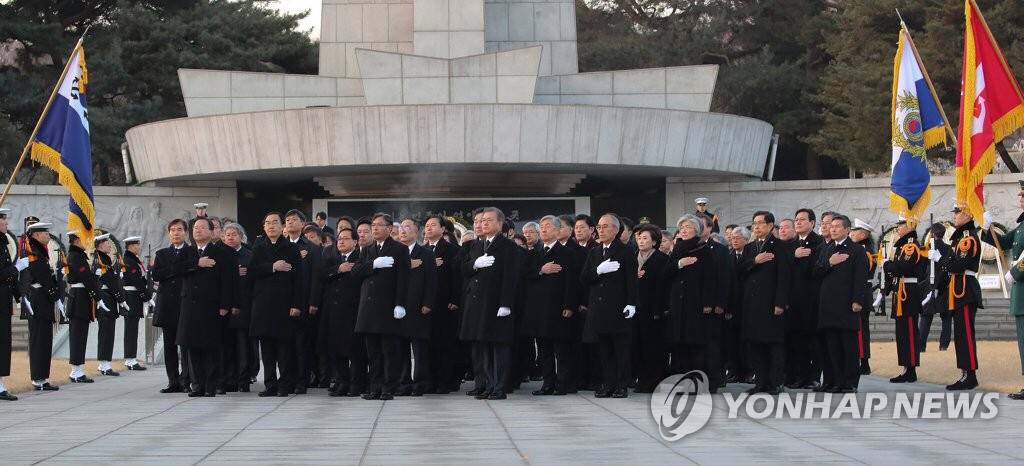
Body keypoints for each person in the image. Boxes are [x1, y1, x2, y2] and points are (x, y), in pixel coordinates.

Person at [461, 207, 520, 400]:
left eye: (488, 220)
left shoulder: (508, 246)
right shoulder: (476, 246)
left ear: (499, 223)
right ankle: (487, 385)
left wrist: (506, 304)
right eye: (482, 220)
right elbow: (465, 269)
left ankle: (499, 387)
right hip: (478, 304)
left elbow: (511, 277)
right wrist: (475, 264)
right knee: (484, 346)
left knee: (498, 347)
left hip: (496, 304)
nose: (483, 223)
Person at [354, 213, 410, 400]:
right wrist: (373, 264)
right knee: (373, 352)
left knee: (389, 350)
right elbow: (356, 272)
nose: (375, 228)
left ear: (389, 229)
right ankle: (375, 387)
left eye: (379, 225)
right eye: (373, 225)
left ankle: (388, 388)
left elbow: (404, 279)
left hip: (388, 307)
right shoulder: (367, 250)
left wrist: (400, 304)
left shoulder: (400, 249)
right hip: (369, 309)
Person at [580, 213, 638, 398]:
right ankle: (608, 383)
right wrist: (598, 270)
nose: (601, 230)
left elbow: (632, 280)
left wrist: (632, 303)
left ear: (616, 229)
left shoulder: (626, 251)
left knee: (620, 349)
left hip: (618, 306)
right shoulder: (595, 252)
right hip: (599, 308)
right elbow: (584, 278)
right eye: (599, 227)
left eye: (606, 226)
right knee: (603, 350)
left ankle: (621, 384)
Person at [522, 215, 578, 396]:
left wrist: (570, 305)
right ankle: (547, 383)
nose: (543, 229)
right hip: (538, 308)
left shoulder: (567, 253)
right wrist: (541, 270)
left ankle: (562, 384)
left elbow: (572, 282)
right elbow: (525, 275)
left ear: (557, 230)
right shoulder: (533, 253)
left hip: (558, 306)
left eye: (547, 226)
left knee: (561, 349)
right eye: (541, 227)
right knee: (544, 349)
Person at [177, 218, 233, 397]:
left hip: (211, 306)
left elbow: (227, 281)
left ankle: (211, 385)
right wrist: (197, 263)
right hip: (190, 307)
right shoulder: (187, 252)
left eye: (202, 227)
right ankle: (197, 385)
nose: (198, 230)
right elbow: (175, 269)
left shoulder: (221, 252)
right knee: (192, 347)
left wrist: (225, 305)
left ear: (211, 231)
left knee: (211, 348)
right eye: (195, 228)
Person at [813, 215, 869, 393]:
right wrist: (829, 263)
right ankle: (832, 381)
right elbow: (815, 272)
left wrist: (857, 300)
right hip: (827, 306)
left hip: (846, 305)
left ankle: (849, 382)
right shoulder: (826, 249)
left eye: (837, 226)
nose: (833, 229)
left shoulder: (856, 250)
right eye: (832, 226)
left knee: (848, 346)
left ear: (847, 229)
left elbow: (860, 277)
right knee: (830, 347)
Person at [250, 212, 303, 397]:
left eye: (275, 223)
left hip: (284, 304)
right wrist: (273, 267)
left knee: (284, 349)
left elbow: (299, 279)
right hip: (263, 306)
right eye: (267, 223)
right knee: (267, 350)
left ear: (283, 227)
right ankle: (270, 384)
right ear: (264, 227)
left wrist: (297, 304)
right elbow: (251, 272)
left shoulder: (290, 248)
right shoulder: (258, 247)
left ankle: (285, 384)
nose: (271, 226)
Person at [738, 211, 791, 395]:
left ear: (770, 225)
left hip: (771, 304)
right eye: (754, 223)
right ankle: (760, 383)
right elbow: (741, 269)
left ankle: (775, 383)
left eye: (760, 223)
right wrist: (755, 261)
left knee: (773, 345)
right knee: (755, 345)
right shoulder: (749, 247)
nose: (757, 227)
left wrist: (780, 303)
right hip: (752, 305)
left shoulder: (780, 247)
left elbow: (784, 277)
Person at [664, 214, 718, 391]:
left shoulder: (703, 249)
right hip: (678, 304)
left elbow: (711, 279)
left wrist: (708, 302)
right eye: (681, 227)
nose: (684, 230)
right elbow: (667, 273)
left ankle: (698, 383)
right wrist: (679, 263)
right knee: (679, 345)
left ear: (696, 229)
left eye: (687, 226)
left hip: (696, 304)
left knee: (696, 345)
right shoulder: (677, 248)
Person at [980, 183, 1024, 399]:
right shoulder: (1021, 226)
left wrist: (1014, 273)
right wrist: (988, 229)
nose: (1021, 198)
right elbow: (1005, 242)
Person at [939, 204, 982, 390]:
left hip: (965, 289)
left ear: (968, 214)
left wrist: (943, 260)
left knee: (965, 333)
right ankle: (965, 372)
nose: (955, 215)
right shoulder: (959, 239)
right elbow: (950, 262)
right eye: (955, 212)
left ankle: (970, 375)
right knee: (960, 334)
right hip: (957, 290)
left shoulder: (968, 239)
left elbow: (957, 265)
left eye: (958, 212)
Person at [321, 228, 365, 397]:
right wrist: (339, 269)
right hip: (333, 312)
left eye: (346, 239)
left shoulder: (361, 258)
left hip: (353, 311)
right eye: (339, 239)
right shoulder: (332, 259)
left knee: (354, 351)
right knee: (336, 349)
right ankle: (342, 382)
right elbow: (322, 276)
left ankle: (356, 384)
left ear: (355, 242)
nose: (341, 242)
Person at [284, 209, 323, 393]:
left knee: (302, 344)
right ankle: (287, 379)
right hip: (283, 302)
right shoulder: (280, 246)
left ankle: (302, 380)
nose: (290, 222)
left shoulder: (312, 247)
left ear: (302, 223)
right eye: (288, 220)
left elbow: (316, 277)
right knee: (286, 345)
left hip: (304, 302)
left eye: (294, 220)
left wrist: (313, 302)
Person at [397, 218, 437, 396]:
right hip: (398, 308)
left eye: (407, 227)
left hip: (418, 308)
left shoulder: (426, 253)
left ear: (417, 232)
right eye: (401, 228)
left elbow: (432, 281)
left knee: (419, 349)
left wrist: (428, 303)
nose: (403, 231)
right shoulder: (396, 252)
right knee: (400, 347)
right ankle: (403, 383)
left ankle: (420, 383)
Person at [883, 218, 925, 383]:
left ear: (909, 227)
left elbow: (901, 268)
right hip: (901, 292)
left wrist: (887, 265)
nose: (898, 228)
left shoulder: (910, 247)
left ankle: (911, 369)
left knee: (908, 332)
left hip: (908, 293)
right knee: (902, 334)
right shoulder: (902, 247)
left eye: (900, 225)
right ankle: (906, 368)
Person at [152, 219, 191, 393]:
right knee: (169, 346)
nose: (176, 233)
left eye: (179, 229)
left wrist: (174, 269)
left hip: (185, 304)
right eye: (173, 230)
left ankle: (186, 380)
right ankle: (172, 380)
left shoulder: (191, 252)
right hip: (167, 305)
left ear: (186, 232)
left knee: (186, 346)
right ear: (169, 233)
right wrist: (179, 268)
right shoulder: (161, 254)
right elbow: (157, 275)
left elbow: (192, 269)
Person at [19, 221, 59, 391]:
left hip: (44, 299)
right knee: (39, 339)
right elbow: (42, 276)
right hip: (38, 299)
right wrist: (55, 293)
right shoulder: (33, 252)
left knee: (45, 339)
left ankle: (43, 377)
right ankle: (37, 378)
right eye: (44, 232)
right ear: (35, 235)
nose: (48, 235)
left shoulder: (40, 250)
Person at [424, 214, 461, 394]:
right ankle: (429, 380)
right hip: (425, 305)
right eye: (427, 225)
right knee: (428, 344)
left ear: (443, 229)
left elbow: (457, 277)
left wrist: (455, 299)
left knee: (445, 344)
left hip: (445, 304)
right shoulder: (422, 251)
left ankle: (445, 381)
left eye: (433, 225)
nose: (429, 228)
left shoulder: (452, 250)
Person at [786, 208, 824, 389]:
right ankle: (800, 376)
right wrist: (793, 256)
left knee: (814, 341)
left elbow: (816, 268)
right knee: (797, 340)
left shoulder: (819, 243)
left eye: (802, 219)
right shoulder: (790, 244)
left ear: (812, 223)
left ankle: (814, 376)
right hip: (793, 299)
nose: (798, 222)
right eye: (796, 220)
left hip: (812, 299)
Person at [632, 224, 668, 393]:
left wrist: (659, 309)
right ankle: (641, 379)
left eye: (645, 238)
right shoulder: (632, 257)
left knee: (654, 347)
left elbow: (663, 288)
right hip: (635, 309)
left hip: (654, 309)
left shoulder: (662, 259)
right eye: (639, 238)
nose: (641, 241)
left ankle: (655, 381)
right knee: (637, 346)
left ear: (654, 242)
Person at [222, 223, 255, 392]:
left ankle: (243, 380)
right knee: (226, 347)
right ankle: (229, 379)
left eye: (234, 234)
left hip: (243, 308)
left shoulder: (249, 255)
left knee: (243, 347)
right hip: (224, 308)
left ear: (241, 237)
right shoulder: (220, 255)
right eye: (227, 234)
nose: (230, 237)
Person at [64, 231, 98, 384]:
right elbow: (86, 279)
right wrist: (98, 296)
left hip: (81, 298)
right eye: (84, 239)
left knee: (80, 335)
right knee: (77, 336)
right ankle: (75, 371)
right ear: (77, 240)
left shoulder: (78, 255)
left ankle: (78, 369)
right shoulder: (76, 256)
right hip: (78, 299)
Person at [0, 209, 27, 400]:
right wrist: (17, 268)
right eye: (3, 220)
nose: (6, 224)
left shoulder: (2, 243)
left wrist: (19, 296)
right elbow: (3, 274)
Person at [850, 219, 881, 374]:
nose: (851, 234)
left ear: (862, 234)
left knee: (861, 330)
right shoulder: (860, 249)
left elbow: (863, 271)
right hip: (860, 291)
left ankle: (864, 362)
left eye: (854, 232)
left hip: (862, 292)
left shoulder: (864, 251)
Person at [93, 233, 125, 377]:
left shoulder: (105, 258)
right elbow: (108, 281)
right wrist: (120, 297)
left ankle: (105, 363)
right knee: (105, 332)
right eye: (106, 243)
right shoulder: (99, 259)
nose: (109, 245)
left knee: (108, 332)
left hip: (109, 298)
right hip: (105, 297)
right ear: (100, 246)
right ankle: (104, 364)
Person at [918, 222, 953, 354]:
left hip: (931, 285)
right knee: (946, 317)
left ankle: (921, 346)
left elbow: (923, 270)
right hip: (944, 285)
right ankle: (943, 345)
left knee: (926, 317)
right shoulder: (948, 248)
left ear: (932, 234)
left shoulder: (927, 249)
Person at [120, 237, 148, 371]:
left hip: (132, 297)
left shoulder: (131, 260)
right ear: (131, 246)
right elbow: (136, 281)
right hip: (131, 297)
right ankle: (130, 360)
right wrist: (146, 295)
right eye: (137, 244)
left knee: (132, 329)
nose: (139, 247)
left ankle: (131, 358)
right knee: (131, 330)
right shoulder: (129, 261)